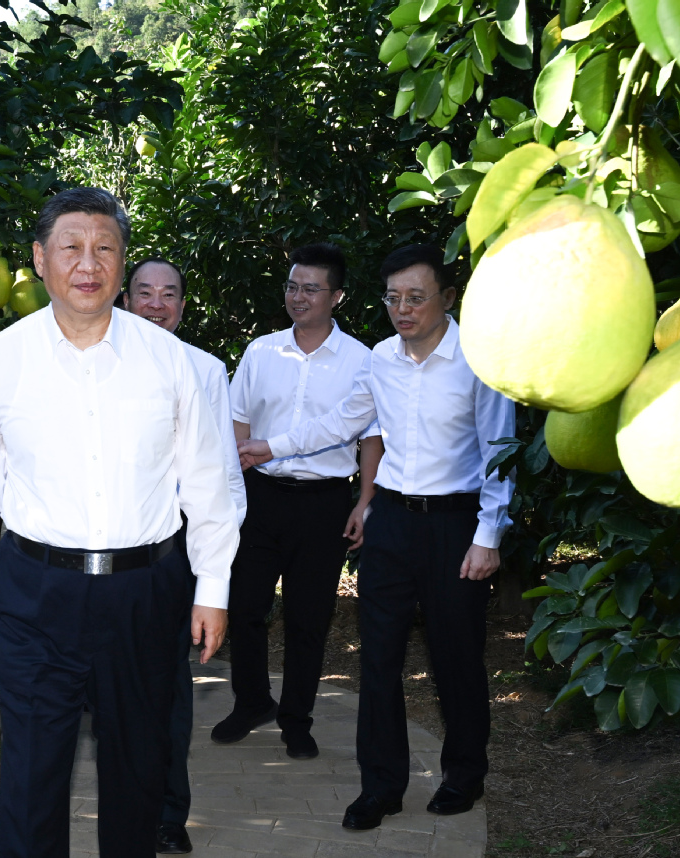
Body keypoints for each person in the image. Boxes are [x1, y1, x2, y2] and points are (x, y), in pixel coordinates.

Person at [0, 187, 240, 858]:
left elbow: (207, 485)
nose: (88, 263)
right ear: (39, 259)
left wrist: (213, 589)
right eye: (70, 247)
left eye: (104, 247)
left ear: (121, 261)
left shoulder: (171, 362)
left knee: (139, 772)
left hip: (143, 592)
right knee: (30, 775)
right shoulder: (4, 358)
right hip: (32, 592)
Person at [237, 244, 515, 831]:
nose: (402, 309)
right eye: (393, 298)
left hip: (455, 524)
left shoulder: (480, 359)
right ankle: (381, 786)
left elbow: (500, 453)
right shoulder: (381, 360)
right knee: (379, 660)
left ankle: (464, 774)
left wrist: (488, 535)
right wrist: (271, 446)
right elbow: (342, 420)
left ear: (447, 297)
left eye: (416, 297)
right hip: (390, 522)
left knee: (455, 657)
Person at [212, 243, 383, 760]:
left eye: (311, 288)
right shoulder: (261, 351)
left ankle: (296, 719)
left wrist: (365, 502)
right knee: (244, 608)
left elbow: (371, 438)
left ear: (337, 296)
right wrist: (236, 491)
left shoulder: (363, 360)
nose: (298, 297)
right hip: (260, 499)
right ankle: (252, 702)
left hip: (324, 504)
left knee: (309, 619)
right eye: (292, 286)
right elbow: (238, 420)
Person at [124, 257, 246, 855]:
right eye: (144, 292)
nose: (156, 303)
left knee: (169, 693)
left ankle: (169, 814)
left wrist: (211, 574)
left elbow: (224, 473)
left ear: (181, 306)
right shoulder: (94, 364)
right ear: (124, 298)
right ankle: (124, 806)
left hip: (173, 559)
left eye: (168, 294)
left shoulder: (205, 370)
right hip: (98, 561)